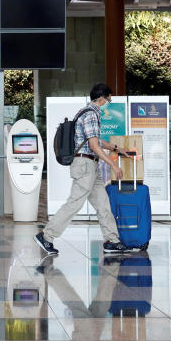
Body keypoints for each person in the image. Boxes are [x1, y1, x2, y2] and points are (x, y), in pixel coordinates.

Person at [36, 83, 125, 255]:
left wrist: (115, 148)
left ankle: (112, 240)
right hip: (85, 165)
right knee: (74, 203)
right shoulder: (91, 115)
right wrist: (113, 164)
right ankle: (46, 236)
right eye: (108, 99)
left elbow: (96, 141)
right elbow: (93, 145)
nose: (109, 102)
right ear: (101, 98)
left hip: (91, 165)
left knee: (103, 204)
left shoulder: (87, 112)